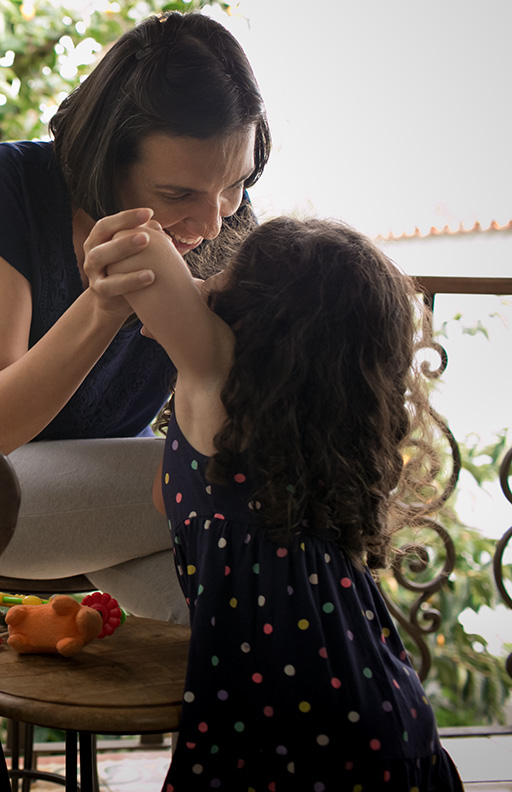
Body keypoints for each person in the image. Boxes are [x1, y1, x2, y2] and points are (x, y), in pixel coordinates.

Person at [0, 11, 270, 622]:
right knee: (236, 485)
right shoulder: (19, 181)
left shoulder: (219, 223)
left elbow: (226, 408)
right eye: (179, 194)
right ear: (110, 159)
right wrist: (103, 306)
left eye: (234, 184)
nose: (212, 221)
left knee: (238, 619)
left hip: (106, 501)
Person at [99, 212, 462, 788]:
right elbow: (168, 501)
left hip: (290, 736)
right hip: (380, 718)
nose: (211, 275)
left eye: (229, 272)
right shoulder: (306, 436)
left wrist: (191, 299)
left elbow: (138, 252)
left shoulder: (217, 383)